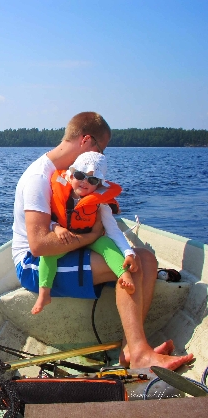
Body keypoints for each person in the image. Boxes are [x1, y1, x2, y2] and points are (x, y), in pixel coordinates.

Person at [12, 111, 194, 370]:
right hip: (33, 265)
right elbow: (40, 245)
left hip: (69, 248)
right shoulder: (39, 178)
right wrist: (93, 235)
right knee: (121, 266)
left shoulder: (68, 174)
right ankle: (141, 354)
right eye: (101, 148)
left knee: (145, 260)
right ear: (86, 140)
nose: (100, 159)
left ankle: (131, 348)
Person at [32, 151, 137, 315]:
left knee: (107, 245)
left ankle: (124, 275)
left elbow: (113, 230)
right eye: (80, 175)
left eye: (92, 179)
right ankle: (44, 293)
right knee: (48, 255)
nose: (84, 182)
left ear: (99, 184)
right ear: (71, 175)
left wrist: (128, 252)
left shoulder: (100, 203)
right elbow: (49, 220)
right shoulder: (57, 192)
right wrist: (57, 228)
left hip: (92, 238)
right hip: (68, 238)